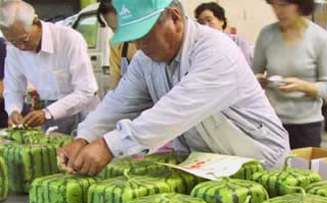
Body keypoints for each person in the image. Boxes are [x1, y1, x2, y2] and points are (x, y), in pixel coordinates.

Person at [60, 0, 289, 177]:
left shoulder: (216, 52)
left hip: (259, 165)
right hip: (210, 167)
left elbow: (174, 112)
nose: (139, 46)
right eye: (133, 38)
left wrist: (109, 146)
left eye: (144, 35)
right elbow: (118, 104)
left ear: (175, 17)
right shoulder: (145, 61)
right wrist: (85, 137)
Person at [1, 0, 99, 134]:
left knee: (83, 144)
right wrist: (13, 110)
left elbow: (86, 91)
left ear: (35, 22)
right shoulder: (14, 49)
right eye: (13, 42)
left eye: (24, 40)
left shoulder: (69, 39)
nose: (21, 47)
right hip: (49, 112)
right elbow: (13, 89)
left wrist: (48, 113)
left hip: (83, 111)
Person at [253, 0, 327, 149]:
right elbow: (254, 75)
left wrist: (303, 86)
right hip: (271, 123)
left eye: (284, 5)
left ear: (300, 5)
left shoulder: (320, 38)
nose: (278, 11)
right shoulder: (266, 34)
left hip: (306, 126)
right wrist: (259, 80)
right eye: (274, 5)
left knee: (300, 164)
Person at [97, 0, 137, 88]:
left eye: (122, 27)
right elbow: (115, 83)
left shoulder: (151, 42)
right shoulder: (116, 45)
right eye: (113, 29)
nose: (120, 34)